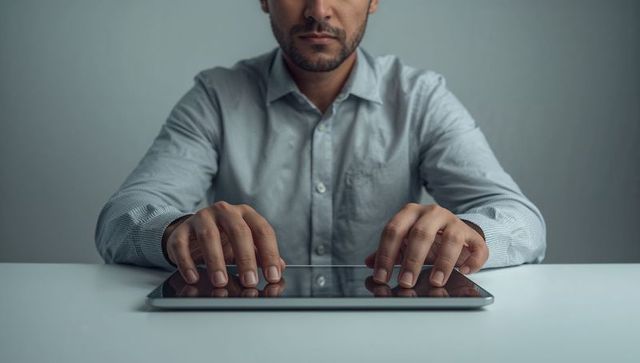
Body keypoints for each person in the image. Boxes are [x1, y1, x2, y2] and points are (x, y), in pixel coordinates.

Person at [95, 0, 546, 291]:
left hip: (389, 341)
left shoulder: (420, 97)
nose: (318, 10)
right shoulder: (217, 96)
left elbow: (522, 220)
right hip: (244, 338)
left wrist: (476, 235)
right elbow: (121, 218)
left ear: (373, 1)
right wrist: (177, 231)